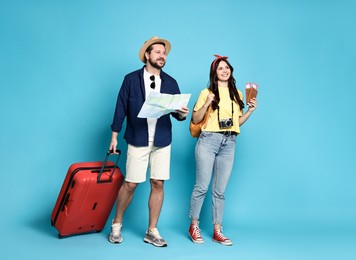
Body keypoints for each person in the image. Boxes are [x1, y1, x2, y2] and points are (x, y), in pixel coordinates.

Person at [108, 36, 189, 247]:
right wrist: (114, 136)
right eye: (158, 52)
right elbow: (120, 108)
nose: (162, 56)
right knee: (131, 183)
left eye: (164, 53)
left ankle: (151, 230)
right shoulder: (131, 79)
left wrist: (181, 113)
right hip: (138, 138)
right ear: (147, 55)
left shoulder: (171, 82)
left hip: (162, 139)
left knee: (158, 183)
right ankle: (117, 223)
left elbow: (177, 114)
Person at [188, 54, 257, 246]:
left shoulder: (238, 94)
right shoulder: (206, 92)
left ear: (231, 71)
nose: (224, 71)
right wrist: (208, 102)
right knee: (201, 186)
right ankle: (194, 226)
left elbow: (237, 123)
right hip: (209, 140)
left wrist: (250, 111)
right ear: (214, 73)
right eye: (220, 68)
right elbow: (195, 119)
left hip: (230, 142)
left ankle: (217, 230)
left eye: (227, 68)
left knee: (220, 191)